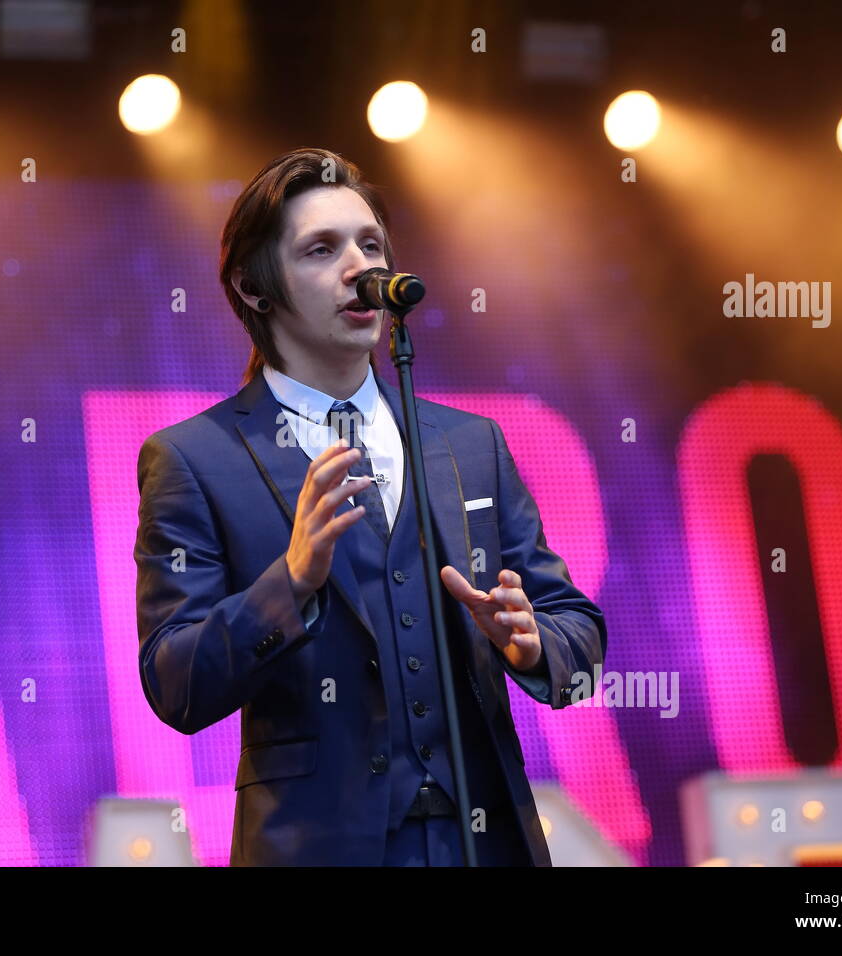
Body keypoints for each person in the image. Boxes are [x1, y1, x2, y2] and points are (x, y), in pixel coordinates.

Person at [134, 147, 606, 866]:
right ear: (255, 289)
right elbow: (176, 684)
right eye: (322, 249)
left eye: (371, 244)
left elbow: (580, 634)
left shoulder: (468, 443)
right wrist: (289, 582)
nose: (361, 267)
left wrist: (534, 640)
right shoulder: (196, 460)